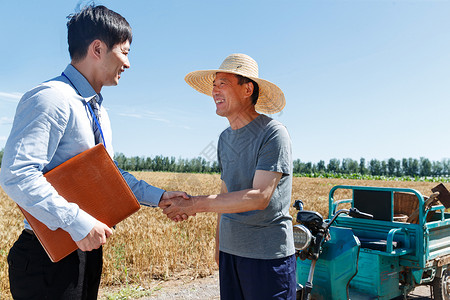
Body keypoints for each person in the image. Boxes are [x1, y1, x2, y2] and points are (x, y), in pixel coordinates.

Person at [0, 5, 187, 299]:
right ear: (98, 49)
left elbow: (107, 176)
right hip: (47, 259)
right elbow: (17, 174)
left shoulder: (97, 109)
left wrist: (159, 196)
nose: (128, 63)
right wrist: (79, 222)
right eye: (124, 51)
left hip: (84, 252)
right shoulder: (51, 99)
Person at [160, 53, 296, 299]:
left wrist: (194, 204)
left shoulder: (273, 133)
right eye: (213, 85)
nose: (215, 91)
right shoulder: (225, 139)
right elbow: (226, 194)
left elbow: (259, 197)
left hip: (267, 258)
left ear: (247, 89)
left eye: (223, 83)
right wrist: (219, 245)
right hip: (231, 253)